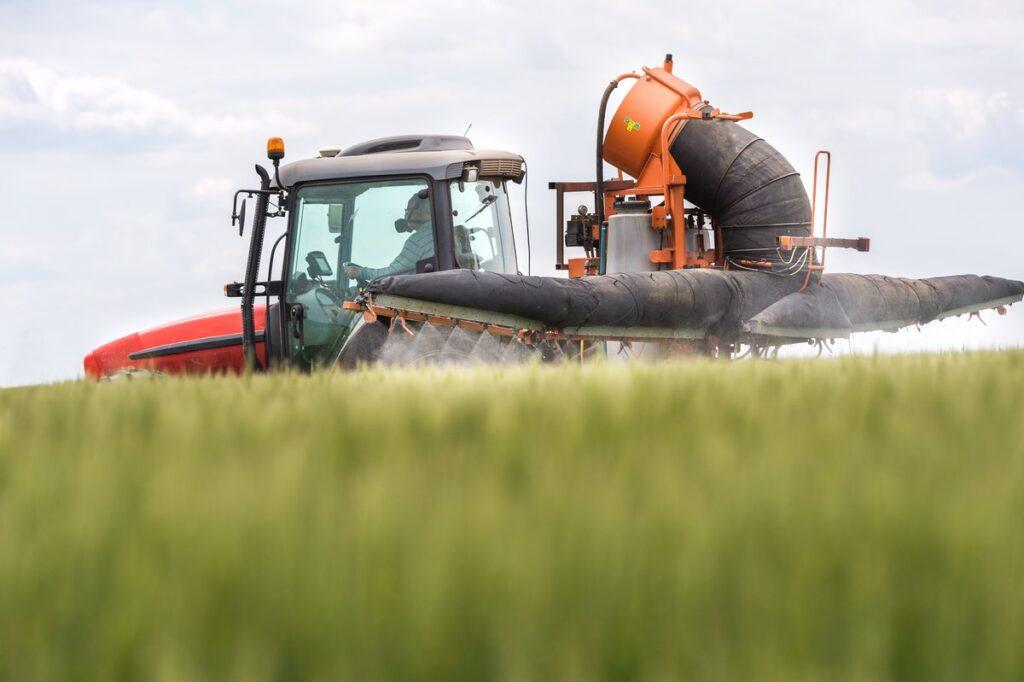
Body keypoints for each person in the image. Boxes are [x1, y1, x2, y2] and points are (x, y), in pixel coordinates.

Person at [343, 190, 435, 282]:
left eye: (408, 209)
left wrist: (361, 272)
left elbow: (392, 273)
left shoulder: (419, 240)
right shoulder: (435, 233)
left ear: (425, 212)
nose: (406, 213)